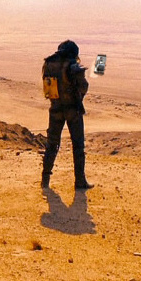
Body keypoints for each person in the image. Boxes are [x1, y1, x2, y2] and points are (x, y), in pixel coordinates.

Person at [41, 40, 93, 190]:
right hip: (72, 110)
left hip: (55, 109)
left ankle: (45, 180)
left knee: (52, 144)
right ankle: (80, 181)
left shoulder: (48, 64)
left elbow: (47, 87)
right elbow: (83, 87)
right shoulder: (73, 66)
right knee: (78, 145)